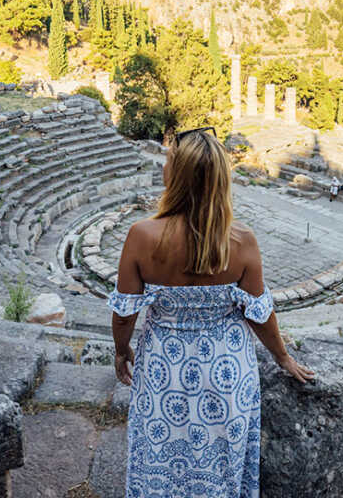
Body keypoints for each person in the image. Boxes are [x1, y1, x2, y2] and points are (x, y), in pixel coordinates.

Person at [108, 126, 315, 498]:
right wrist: (282, 357)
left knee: (160, 462)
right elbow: (259, 313)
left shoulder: (142, 235)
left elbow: (125, 313)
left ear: (177, 176)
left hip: (162, 370)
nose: (163, 166)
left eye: (168, 161)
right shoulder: (242, 241)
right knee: (222, 466)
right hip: (227, 373)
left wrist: (122, 351)